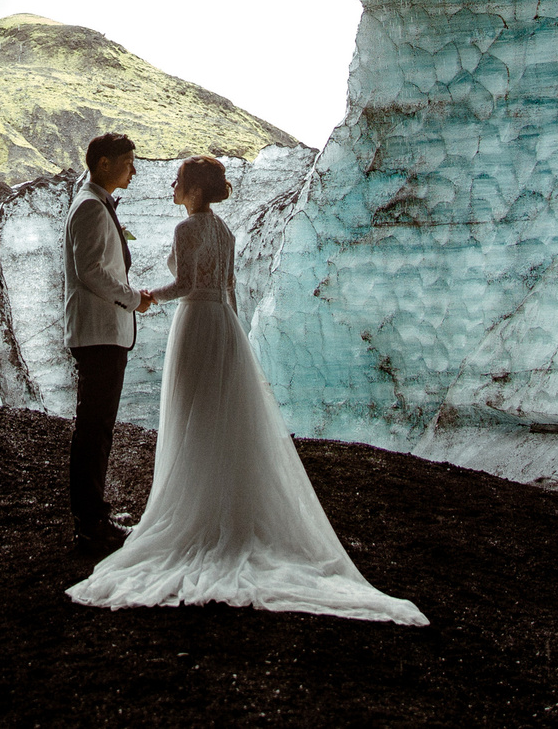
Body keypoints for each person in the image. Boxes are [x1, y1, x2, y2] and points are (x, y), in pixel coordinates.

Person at [67, 156, 426, 624]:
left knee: (192, 415)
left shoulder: (186, 229)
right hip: (223, 325)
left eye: (178, 180)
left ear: (194, 190)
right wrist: (233, 334)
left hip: (195, 323)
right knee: (222, 418)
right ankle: (228, 510)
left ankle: (191, 511)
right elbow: (228, 289)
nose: (172, 185)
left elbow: (187, 284)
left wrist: (149, 297)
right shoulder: (227, 233)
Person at [64, 131, 151, 556]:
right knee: (94, 429)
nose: (134, 170)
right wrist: (134, 299)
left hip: (101, 333)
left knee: (96, 428)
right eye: (129, 161)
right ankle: (91, 524)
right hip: (99, 335)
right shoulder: (90, 208)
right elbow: (91, 272)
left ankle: (92, 516)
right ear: (104, 164)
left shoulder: (93, 203)